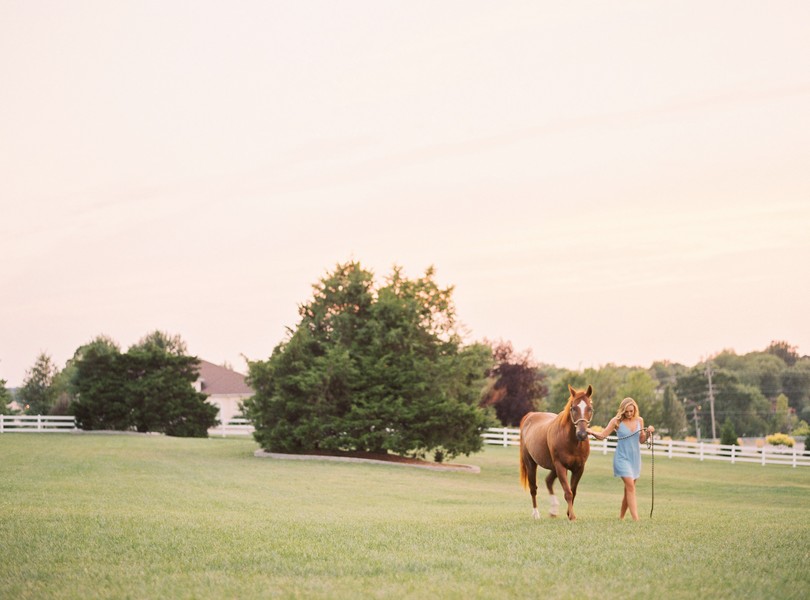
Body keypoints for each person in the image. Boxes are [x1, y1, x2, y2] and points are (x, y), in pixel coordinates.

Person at [587, 397, 654, 521]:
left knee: (628, 490)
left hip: (635, 459)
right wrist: (590, 431)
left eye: (631, 411)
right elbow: (602, 436)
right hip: (622, 458)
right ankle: (636, 520)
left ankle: (621, 518)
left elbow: (641, 440)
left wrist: (649, 433)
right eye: (626, 411)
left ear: (635, 410)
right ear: (622, 410)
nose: (629, 414)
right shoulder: (616, 421)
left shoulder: (640, 420)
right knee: (631, 487)